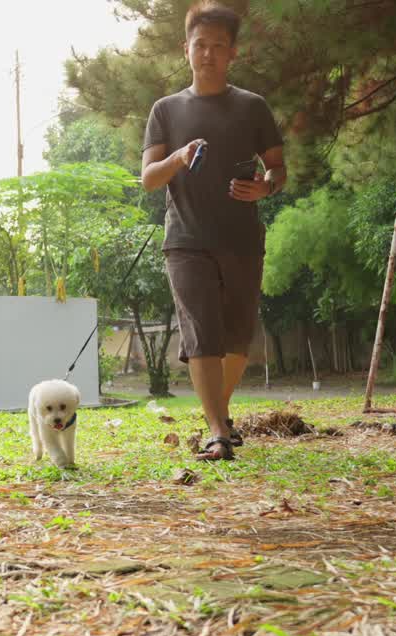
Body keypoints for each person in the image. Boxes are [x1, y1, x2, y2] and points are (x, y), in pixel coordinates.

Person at [141, 0, 285, 461]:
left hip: (242, 238)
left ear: (232, 54)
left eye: (218, 46)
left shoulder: (252, 106)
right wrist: (179, 157)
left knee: (238, 337)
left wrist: (265, 187)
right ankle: (219, 432)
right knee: (201, 334)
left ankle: (217, 417)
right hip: (185, 239)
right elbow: (148, 178)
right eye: (200, 45)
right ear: (185, 49)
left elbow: (278, 169)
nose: (208, 54)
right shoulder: (165, 110)